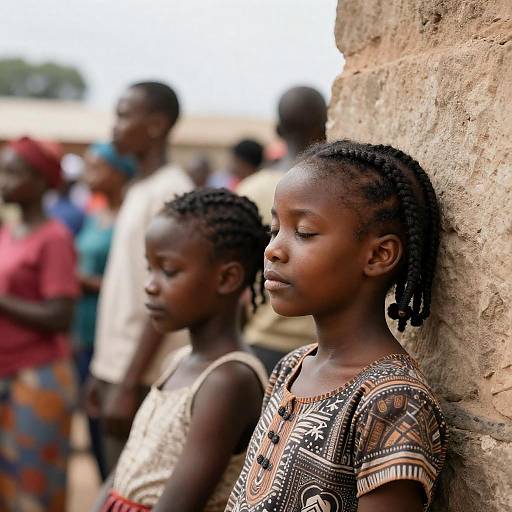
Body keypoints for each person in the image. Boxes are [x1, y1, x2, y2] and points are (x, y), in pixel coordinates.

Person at [226, 141, 448, 512]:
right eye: (275, 228)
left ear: (378, 255)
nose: (273, 250)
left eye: (305, 232)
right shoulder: (291, 367)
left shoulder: (392, 403)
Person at [96, 188, 268, 512]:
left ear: (228, 278)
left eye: (169, 271)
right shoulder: (179, 360)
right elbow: (127, 466)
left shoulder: (228, 380)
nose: (150, 284)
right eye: (150, 268)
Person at [86, 81, 193, 473]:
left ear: (155, 125)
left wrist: (129, 383)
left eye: (123, 115)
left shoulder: (170, 192)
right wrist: (102, 369)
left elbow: (170, 293)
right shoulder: (139, 188)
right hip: (116, 367)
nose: (114, 126)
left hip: (145, 372)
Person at [0, 137, 79, 511]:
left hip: (38, 374)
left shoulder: (55, 238)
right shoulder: (8, 233)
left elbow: (60, 315)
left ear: (41, 181)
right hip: (7, 369)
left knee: (34, 485)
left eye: (12, 172)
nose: (2, 180)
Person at [237, 86, 327, 374]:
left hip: (261, 338)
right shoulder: (333, 191)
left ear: (278, 128)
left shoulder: (251, 190)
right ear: (326, 124)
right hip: (318, 343)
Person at [73, 142, 137, 480]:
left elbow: (127, 280)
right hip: (84, 330)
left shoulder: (128, 218)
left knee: (111, 431)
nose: (89, 174)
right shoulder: (95, 216)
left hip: (112, 332)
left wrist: (89, 283)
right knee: (92, 419)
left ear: (119, 172)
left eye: (97, 167)